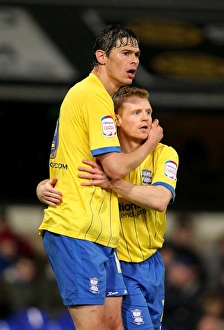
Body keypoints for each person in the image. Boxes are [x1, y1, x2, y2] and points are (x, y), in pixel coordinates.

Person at [37, 24, 163, 330]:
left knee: (113, 325)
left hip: (101, 235)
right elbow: (115, 168)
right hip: (77, 230)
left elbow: (67, 155)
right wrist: (151, 143)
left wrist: (44, 184)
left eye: (137, 54)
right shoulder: (93, 96)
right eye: (125, 53)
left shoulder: (93, 98)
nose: (134, 60)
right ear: (101, 57)